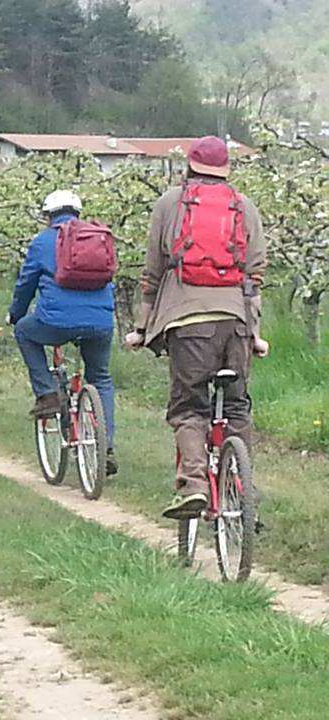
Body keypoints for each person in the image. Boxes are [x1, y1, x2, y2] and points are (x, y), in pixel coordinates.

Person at [125, 136, 268, 520]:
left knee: (189, 407)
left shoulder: (170, 203)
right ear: (226, 170)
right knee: (236, 406)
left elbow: (153, 272)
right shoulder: (244, 206)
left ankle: (193, 486)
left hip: (187, 323)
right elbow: (254, 276)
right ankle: (243, 490)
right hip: (235, 321)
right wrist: (254, 334)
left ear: (189, 165)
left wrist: (142, 327)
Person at [7, 190, 118, 476]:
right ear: (78, 212)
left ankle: (47, 393)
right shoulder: (99, 238)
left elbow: (26, 284)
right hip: (100, 322)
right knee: (101, 378)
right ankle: (106, 447)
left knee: (24, 331)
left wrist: (16, 314)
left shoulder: (43, 241)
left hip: (56, 322)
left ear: (48, 216)